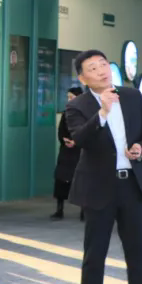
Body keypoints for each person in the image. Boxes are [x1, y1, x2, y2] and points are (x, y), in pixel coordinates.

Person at [64, 50, 142, 284]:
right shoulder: (77, 106)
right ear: (83, 78)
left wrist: (141, 149)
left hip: (132, 187)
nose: (101, 71)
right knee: (94, 256)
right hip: (99, 190)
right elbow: (80, 139)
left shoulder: (131, 96)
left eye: (104, 64)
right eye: (93, 68)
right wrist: (103, 112)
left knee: (138, 257)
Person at [52, 86, 85, 221]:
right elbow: (61, 131)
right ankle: (59, 209)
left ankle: (84, 211)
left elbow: (87, 132)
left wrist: (76, 141)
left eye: (72, 97)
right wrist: (64, 140)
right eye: (68, 97)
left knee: (81, 181)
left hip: (80, 152)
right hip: (66, 152)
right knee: (61, 179)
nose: (69, 99)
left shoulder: (86, 113)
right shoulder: (66, 113)